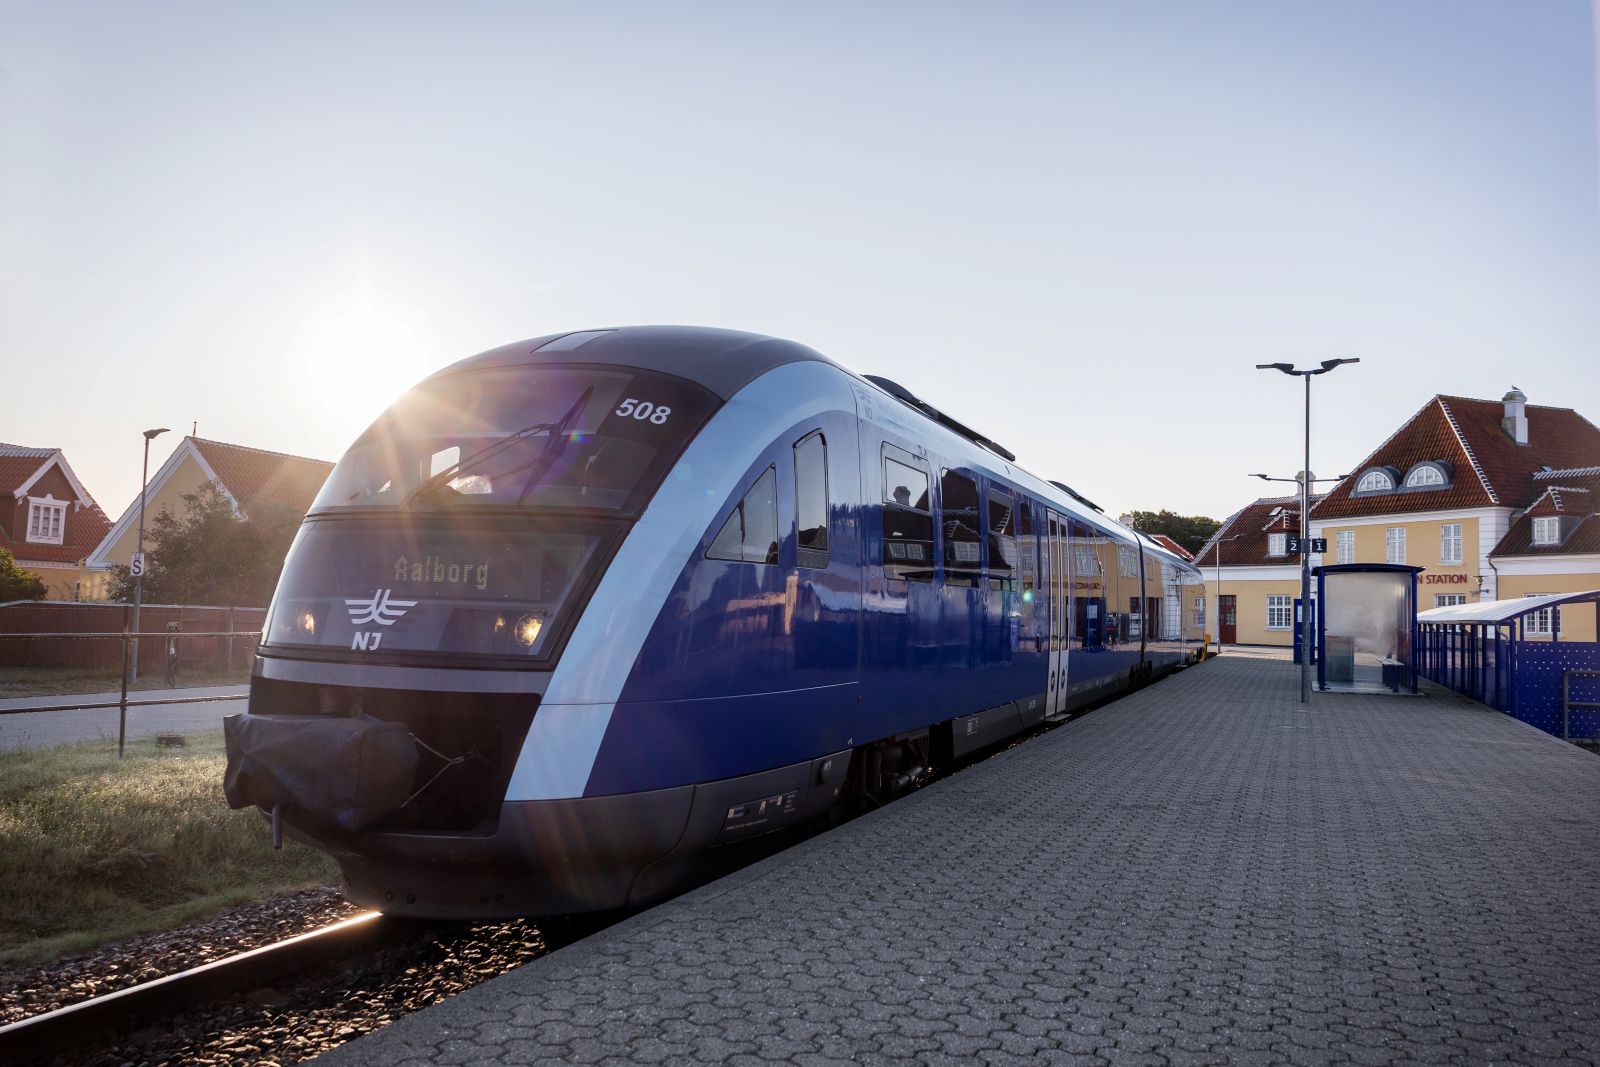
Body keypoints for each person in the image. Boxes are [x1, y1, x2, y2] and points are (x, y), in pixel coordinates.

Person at [164, 621, 181, 687]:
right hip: (169, 651)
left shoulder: (174, 637)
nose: (176, 632)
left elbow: (173, 645)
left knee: (170, 667)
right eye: (175, 630)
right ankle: (169, 682)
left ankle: (170, 682)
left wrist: (175, 654)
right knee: (168, 668)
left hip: (172, 652)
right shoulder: (169, 636)